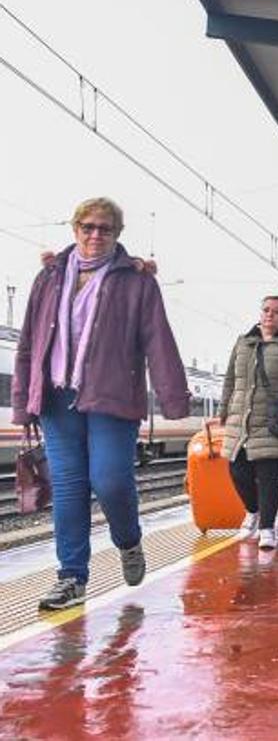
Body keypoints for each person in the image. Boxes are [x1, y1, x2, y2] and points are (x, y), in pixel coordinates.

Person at [12, 197, 190, 610]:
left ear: (117, 235)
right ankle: (71, 578)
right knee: (70, 489)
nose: (95, 235)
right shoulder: (50, 276)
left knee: (110, 480)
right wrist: (24, 404)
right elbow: (27, 344)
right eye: (88, 227)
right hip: (56, 398)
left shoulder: (137, 280)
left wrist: (174, 401)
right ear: (74, 229)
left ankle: (128, 541)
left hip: (111, 397)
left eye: (105, 229)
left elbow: (158, 340)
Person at [213, 295, 278, 551]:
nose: (270, 315)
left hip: (272, 419)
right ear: (260, 313)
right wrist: (223, 410)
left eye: (277, 312)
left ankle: (267, 529)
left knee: (267, 475)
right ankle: (253, 510)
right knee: (237, 471)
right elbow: (230, 379)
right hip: (241, 420)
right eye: (266, 310)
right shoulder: (243, 342)